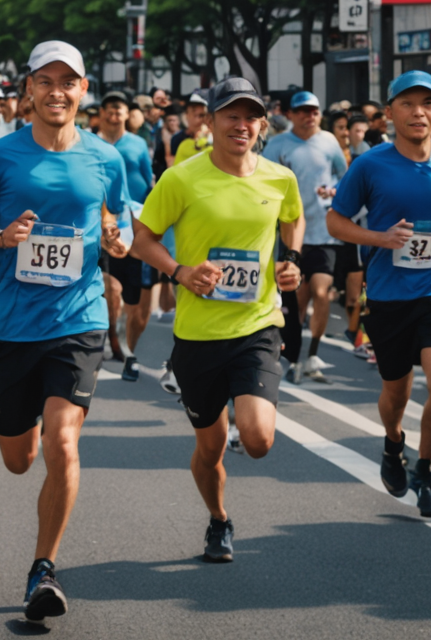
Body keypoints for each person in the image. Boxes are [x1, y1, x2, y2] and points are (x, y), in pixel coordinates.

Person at [0, 41, 129, 622]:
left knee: (63, 441)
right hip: (12, 326)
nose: (57, 92)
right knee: (20, 458)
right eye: (45, 81)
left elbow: (117, 215)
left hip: (79, 319)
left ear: (83, 91)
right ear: (28, 90)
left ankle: (43, 568)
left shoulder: (104, 157)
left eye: (68, 82)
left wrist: (118, 236)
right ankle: (39, 523)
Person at [129, 76, 302, 562]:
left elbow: (292, 218)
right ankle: (219, 520)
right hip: (198, 335)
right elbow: (143, 239)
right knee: (211, 449)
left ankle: (247, 413)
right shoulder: (182, 177)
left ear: (262, 124)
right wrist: (180, 271)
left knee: (258, 438)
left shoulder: (278, 177)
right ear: (210, 121)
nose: (241, 125)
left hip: (258, 325)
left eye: (250, 116)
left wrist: (292, 259)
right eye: (231, 115)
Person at [328, 70, 431, 519]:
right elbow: (339, 221)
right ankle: (393, 442)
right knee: (395, 392)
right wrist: (379, 238)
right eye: (409, 104)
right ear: (391, 112)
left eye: (429, 104)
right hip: (389, 295)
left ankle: (426, 467)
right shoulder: (369, 164)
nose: (420, 113)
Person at [261, 90, 348, 382]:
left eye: (313, 111)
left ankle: (313, 352)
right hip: (290, 233)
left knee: (322, 293)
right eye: (302, 111)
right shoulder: (277, 145)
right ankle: (293, 355)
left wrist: (333, 191)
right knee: (298, 299)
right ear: (291, 115)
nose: (308, 116)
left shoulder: (329, 141)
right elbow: (263, 180)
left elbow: (343, 177)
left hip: (324, 232)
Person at [95, 90, 158, 379]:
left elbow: (150, 182)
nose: (113, 114)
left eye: (118, 108)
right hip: (100, 226)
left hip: (136, 227)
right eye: (108, 108)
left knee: (139, 308)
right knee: (112, 291)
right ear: (101, 113)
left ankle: (129, 351)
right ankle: (111, 342)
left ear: (125, 113)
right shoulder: (90, 142)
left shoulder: (137, 144)